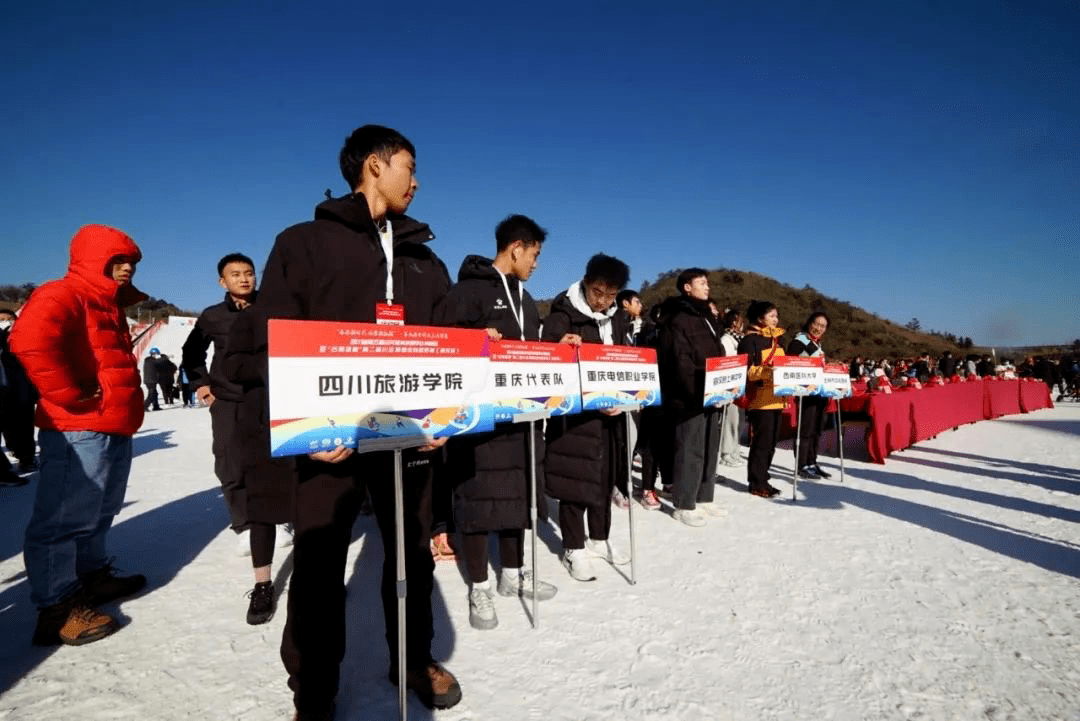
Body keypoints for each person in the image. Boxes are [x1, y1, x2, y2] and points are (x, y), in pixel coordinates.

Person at [224, 125, 460, 718]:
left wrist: (446, 411)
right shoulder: (303, 244)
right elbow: (272, 344)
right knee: (322, 562)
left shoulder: (426, 261)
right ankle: (315, 688)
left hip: (407, 440)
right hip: (330, 443)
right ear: (375, 165)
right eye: (409, 164)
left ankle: (412, 657)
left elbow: (446, 349)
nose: (417, 179)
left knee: (411, 558)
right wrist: (307, 430)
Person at [10, 224, 148, 645]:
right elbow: (28, 340)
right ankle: (56, 608)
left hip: (110, 423)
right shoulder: (62, 292)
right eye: (117, 261)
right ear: (94, 260)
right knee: (62, 520)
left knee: (98, 512)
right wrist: (67, 394)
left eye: (131, 263)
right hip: (78, 427)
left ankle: (91, 577)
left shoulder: (107, 303)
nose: (126, 269)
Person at [435, 213, 556, 630]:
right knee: (477, 501)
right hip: (479, 423)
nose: (536, 263)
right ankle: (480, 586)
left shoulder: (526, 299)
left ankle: (512, 573)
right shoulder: (466, 292)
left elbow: (530, 352)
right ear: (515, 248)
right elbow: (442, 345)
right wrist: (475, 341)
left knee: (516, 498)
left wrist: (558, 349)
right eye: (535, 254)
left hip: (521, 420)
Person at [182, 252, 291, 625]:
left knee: (278, 462)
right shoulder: (212, 316)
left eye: (248, 273)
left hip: (270, 398)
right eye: (235, 274)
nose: (244, 279)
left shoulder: (273, 309)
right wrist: (201, 384)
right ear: (221, 281)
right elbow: (191, 352)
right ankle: (245, 523)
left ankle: (282, 516)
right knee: (229, 461)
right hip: (229, 399)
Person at [541, 253, 631, 581]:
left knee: (605, 478)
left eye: (611, 295)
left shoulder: (618, 317)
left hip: (610, 417)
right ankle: (574, 547)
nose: (603, 301)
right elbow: (546, 355)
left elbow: (625, 359)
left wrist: (630, 393)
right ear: (586, 283)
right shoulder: (563, 311)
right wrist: (558, 346)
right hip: (576, 420)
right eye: (598, 293)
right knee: (574, 480)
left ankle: (600, 538)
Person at [655, 269, 727, 526]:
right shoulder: (677, 317)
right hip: (690, 395)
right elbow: (678, 361)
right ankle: (684, 503)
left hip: (711, 392)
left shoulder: (705, 315)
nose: (707, 287)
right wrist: (694, 391)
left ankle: (704, 497)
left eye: (708, 282)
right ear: (687, 287)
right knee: (690, 448)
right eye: (701, 283)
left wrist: (724, 385)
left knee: (709, 447)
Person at [738, 300, 787, 498]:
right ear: (760, 318)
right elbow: (744, 371)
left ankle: (764, 479)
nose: (776, 319)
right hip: (760, 400)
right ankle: (756, 482)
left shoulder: (777, 340)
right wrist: (766, 372)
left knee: (771, 442)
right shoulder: (750, 341)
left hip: (778, 397)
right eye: (772, 316)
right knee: (761, 443)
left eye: (776, 316)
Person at [787, 312, 831, 480]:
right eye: (816, 324)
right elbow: (790, 364)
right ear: (809, 323)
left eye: (823, 326)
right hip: (806, 393)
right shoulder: (800, 341)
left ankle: (812, 462)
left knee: (817, 429)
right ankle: (802, 464)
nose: (818, 328)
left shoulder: (817, 345)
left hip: (820, 392)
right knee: (805, 429)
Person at [0, 307, 38, 478]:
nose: (5, 322)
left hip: (23, 388)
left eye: (9, 319)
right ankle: (15, 451)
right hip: (3, 391)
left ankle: (27, 458)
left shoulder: (25, 335)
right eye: (1, 319)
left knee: (24, 425)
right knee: (8, 427)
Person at [716, 308, 744, 469]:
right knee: (729, 420)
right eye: (740, 320)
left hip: (740, 384)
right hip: (730, 385)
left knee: (738, 420)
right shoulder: (726, 339)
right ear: (734, 322)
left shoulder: (740, 339)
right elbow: (725, 362)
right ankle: (726, 453)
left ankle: (734, 449)